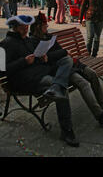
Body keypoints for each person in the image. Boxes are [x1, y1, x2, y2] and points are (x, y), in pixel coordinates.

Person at [0, 14, 79, 147]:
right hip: (23, 81)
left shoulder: (27, 40)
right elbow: (2, 70)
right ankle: (67, 131)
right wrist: (23, 61)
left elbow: (34, 58)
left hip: (38, 74)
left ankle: (56, 87)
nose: (26, 29)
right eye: (22, 27)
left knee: (65, 64)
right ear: (15, 27)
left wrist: (41, 58)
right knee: (61, 89)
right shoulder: (6, 43)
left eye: (27, 26)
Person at [29, 12, 103, 126]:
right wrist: (63, 53)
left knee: (91, 73)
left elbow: (59, 51)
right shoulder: (33, 41)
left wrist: (65, 54)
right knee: (83, 83)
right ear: (38, 27)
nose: (47, 27)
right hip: (60, 70)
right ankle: (99, 114)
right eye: (45, 26)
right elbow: (47, 59)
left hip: (70, 63)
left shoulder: (48, 37)